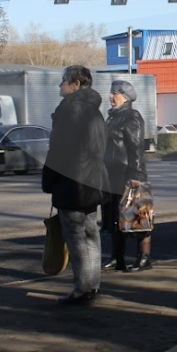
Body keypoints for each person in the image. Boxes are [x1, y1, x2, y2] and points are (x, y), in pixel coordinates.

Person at [42, 65, 108, 305]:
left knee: (77, 238)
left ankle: (83, 289)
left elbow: (58, 152)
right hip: (91, 184)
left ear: (76, 84)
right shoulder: (94, 111)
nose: (60, 85)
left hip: (72, 184)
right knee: (91, 235)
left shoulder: (71, 111)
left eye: (64, 81)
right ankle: (91, 286)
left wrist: (48, 180)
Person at [102, 79, 153, 273]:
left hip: (127, 174)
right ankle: (117, 257)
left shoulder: (132, 117)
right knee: (115, 216)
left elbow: (136, 147)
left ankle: (144, 258)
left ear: (125, 97)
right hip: (111, 175)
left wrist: (136, 174)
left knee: (138, 214)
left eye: (114, 93)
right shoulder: (112, 117)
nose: (110, 96)